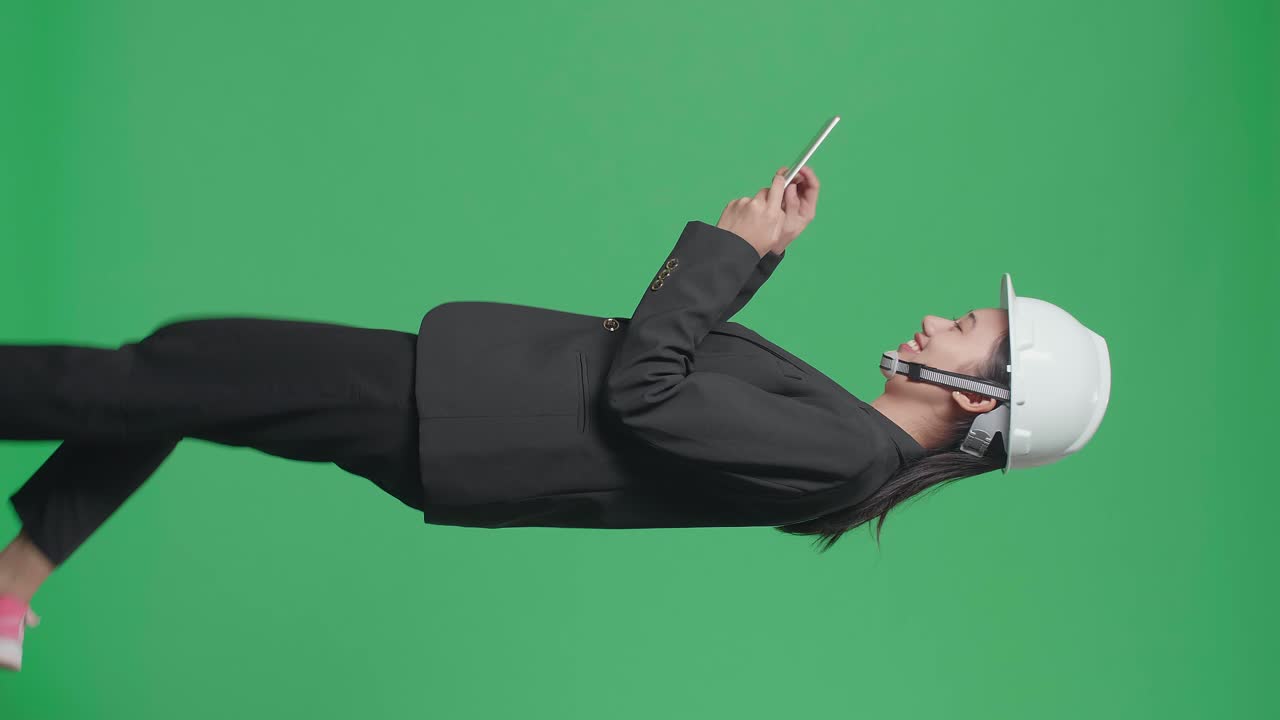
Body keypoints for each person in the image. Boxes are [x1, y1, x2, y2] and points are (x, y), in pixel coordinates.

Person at [0, 165, 1111, 672]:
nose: (938, 316)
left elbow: (645, 394)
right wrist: (756, 259)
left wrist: (724, 251)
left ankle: (9, 592)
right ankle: (13, 588)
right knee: (180, 369)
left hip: (450, 415)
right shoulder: (845, 440)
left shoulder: (844, 450)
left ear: (980, 396)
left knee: (162, 372)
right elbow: (689, 392)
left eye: (966, 325)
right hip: (456, 410)